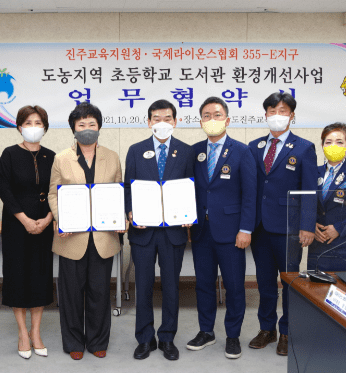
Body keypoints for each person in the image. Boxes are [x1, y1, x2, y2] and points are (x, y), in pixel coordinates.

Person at [48, 102, 123, 361]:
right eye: (82, 125)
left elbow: (118, 191)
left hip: (103, 237)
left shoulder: (112, 156)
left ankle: (98, 340)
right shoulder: (61, 158)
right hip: (72, 237)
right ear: (73, 129)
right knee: (70, 293)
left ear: (99, 127)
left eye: (92, 124)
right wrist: (61, 219)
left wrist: (119, 217)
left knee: (99, 292)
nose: (87, 129)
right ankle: (73, 342)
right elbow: (53, 194)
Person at [124, 99, 194, 361]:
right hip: (143, 231)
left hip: (173, 232)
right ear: (148, 122)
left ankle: (167, 337)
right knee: (142, 286)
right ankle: (145, 338)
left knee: (171, 286)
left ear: (175, 121)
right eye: (156, 118)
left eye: (167, 118)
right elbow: (128, 187)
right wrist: (130, 211)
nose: (162, 123)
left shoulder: (185, 151)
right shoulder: (135, 150)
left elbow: (192, 187)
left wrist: (190, 213)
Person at [247, 92, 316, 356]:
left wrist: (307, 226)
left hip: (289, 228)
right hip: (260, 227)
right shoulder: (254, 146)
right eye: (272, 111)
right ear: (265, 114)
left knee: (289, 282)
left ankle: (287, 331)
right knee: (265, 282)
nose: (277, 115)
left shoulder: (304, 148)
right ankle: (267, 329)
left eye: (283, 111)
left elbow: (309, 191)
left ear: (292, 115)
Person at [187, 97, 256, 359]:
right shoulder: (195, 152)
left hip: (232, 231)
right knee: (203, 284)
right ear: (200, 122)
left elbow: (250, 194)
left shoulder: (242, 151)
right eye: (206, 115)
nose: (212, 119)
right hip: (201, 232)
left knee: (234, 286)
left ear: (227, 120)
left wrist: (246, 229)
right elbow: (189, 190)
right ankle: (206, 331)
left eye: (217, 115)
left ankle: (233, 336)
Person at [0, 105, 55, 359]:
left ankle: (36, 332)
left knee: (40, 276)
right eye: (28, 123)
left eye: (38, 123)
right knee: (17, 276)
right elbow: (4, 190)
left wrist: (47, 219)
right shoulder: (9, 154)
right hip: (16, 225)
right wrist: (25, 220)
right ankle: (22, 332)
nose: (33, 127)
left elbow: (57, 190)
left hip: (44, 224)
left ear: (45, 127)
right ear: (19, 127)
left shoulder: (52, 156)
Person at [308, 122, 346, 272]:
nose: (333, 146)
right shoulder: (312, 172)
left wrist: (338, 228)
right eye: (328, 142)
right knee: (315, 285)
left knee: (344, 285)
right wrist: (309, 225)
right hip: (318, 243)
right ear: (322, 146)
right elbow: (303, 203)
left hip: (345, 243)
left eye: (339, 142)